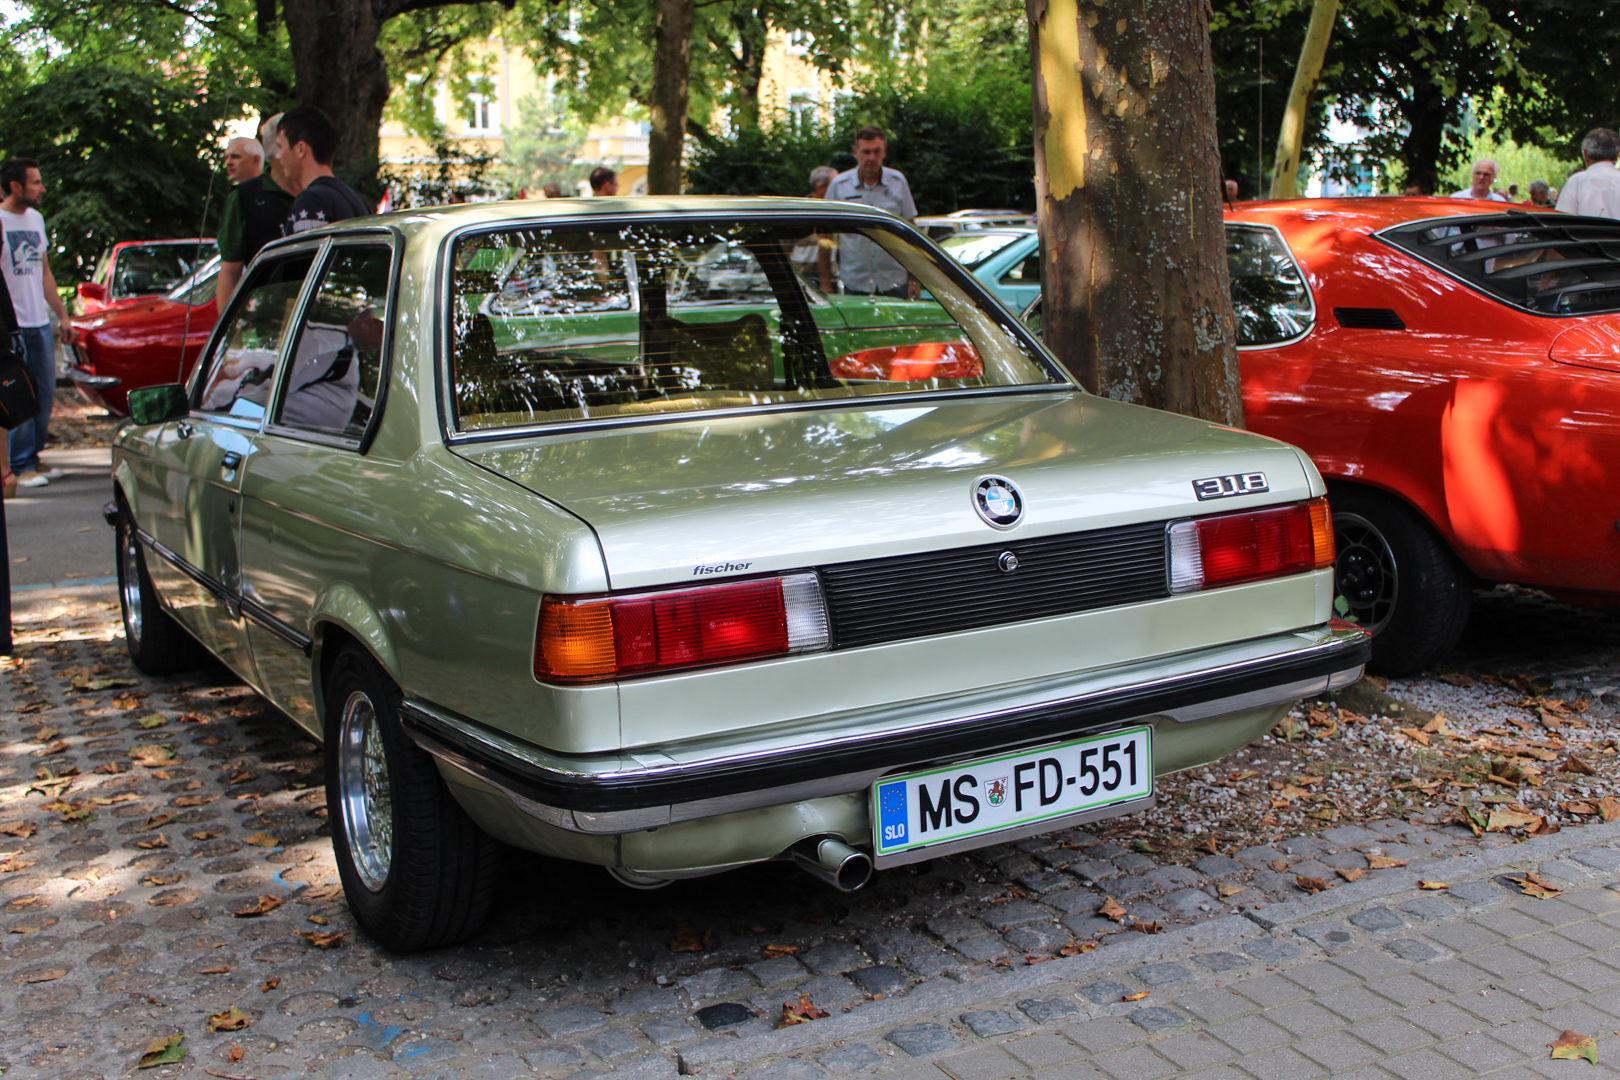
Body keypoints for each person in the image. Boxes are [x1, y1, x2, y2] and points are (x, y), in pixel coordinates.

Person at [0, 159, 71, 489]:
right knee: (19, 393)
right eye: (35, 182)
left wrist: (63, 315)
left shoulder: (37, 219)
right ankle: (20, 465)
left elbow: (45, 273)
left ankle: (34, 456)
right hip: (11, 325)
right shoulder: (0, 221)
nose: (42, 189)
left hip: (39, 321)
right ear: (15, 186)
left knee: (44, 392)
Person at [825, 126, 918, 298]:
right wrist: (825, 282)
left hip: (894, 281)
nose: (871, 158)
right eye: (866, 152)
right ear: (855, 152)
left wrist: (915, 279)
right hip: (854, 282)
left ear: (885, 152)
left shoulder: (898, 182)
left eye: (877, 151)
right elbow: (825, 235)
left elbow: (910, 233)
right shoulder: (839, 186)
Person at [217, 114, 293, 304]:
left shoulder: (317, 192)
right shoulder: (242, 196)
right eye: (226, 157)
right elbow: (230, 270)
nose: (229, 162)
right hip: (264, 309)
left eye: (235, 156)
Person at [275, 105, 370, 236]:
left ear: (300, 149)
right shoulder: (356, 200)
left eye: (280, 146)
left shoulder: (311, 200)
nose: (277, 155)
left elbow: (309, 249)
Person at [1556, 128, 1620, 219]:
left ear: (1585, 154)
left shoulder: (1575, 181)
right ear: (1617, 154)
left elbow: (1563, 219)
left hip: (1583, 229)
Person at [791, 166, 838, 281]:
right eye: (834, 185)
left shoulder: (837, 212)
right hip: (800, 280)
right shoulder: (796, 213)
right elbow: (783, 249)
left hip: (832, 279)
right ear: (820, 188)